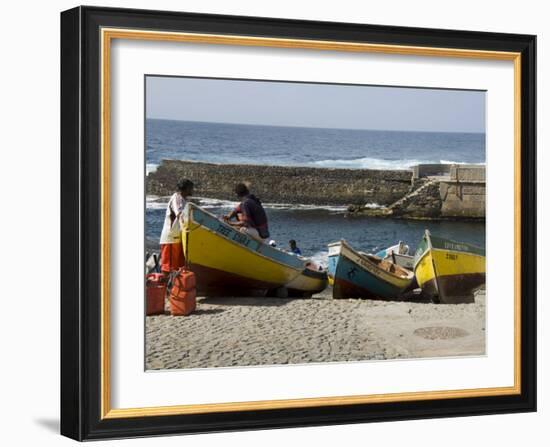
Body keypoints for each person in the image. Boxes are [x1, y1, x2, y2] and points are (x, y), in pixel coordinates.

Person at [159, 179, 194, 274]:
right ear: (186, 188)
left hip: (177, 237)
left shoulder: (183, 200)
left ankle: (172, 287)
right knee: (168, 267)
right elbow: (180, 214)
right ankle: (164, 287)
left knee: (177, 267)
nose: (192, 190)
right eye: (191, 188)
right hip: (171, 238)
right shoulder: (177, 197)